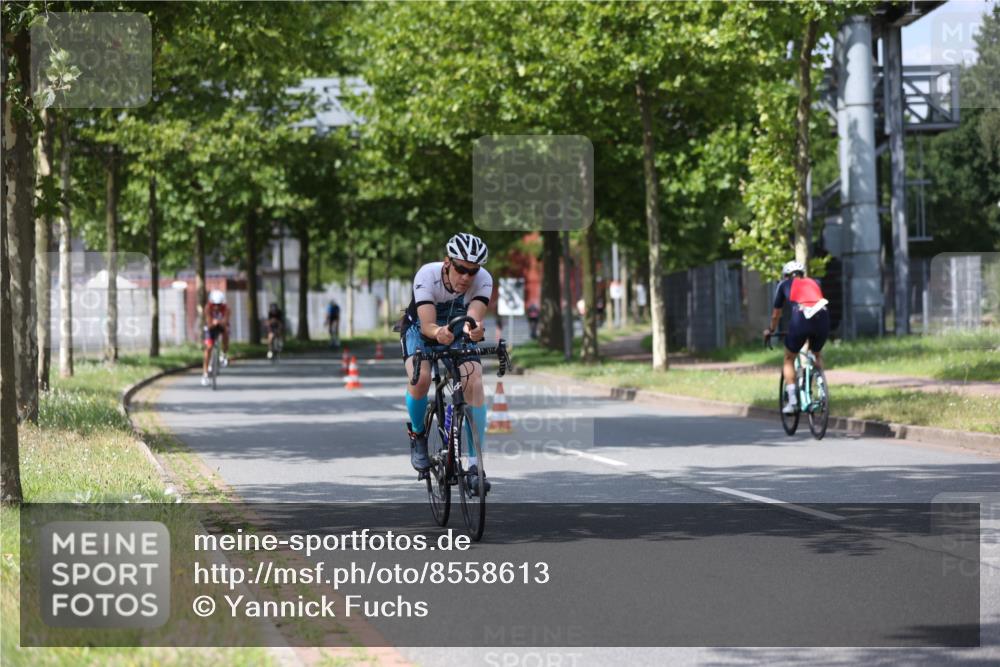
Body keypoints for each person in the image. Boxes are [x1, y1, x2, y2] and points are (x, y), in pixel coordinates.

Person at [400, 233, 493, 494]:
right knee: (421, 378)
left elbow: (473, 318)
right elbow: (429, 324)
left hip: (455, 328)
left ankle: (475, 466)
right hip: (421, 327)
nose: (466, 277)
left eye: (472, 271)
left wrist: (473, 330)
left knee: (473, 378)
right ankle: (418, 435)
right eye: (461, 269)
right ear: (447, 263)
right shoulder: (426, 275)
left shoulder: (483, 280)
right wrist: (437, 333)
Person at [763, 260, 830, 414]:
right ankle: (821, 389)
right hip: (823, 317)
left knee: (788, 358)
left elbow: (776, 315)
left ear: (786, 275)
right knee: (816, 354)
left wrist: (770, 330)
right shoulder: (815, 282)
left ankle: (793, 402)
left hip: (801, 320)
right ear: (802, 274)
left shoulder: (783, 284)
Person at [202, 290, 230, 385]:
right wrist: (213, 322)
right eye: (215, 304)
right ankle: (205, 373)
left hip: (221, 326)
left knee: (226, 332)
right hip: (210, 327)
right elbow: (209, 323)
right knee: (208, 348)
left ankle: (224, 354)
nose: (217, 307)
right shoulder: (208, 308)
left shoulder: (226, 308)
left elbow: (226, 320)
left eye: (219, 304)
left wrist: (219, 322)